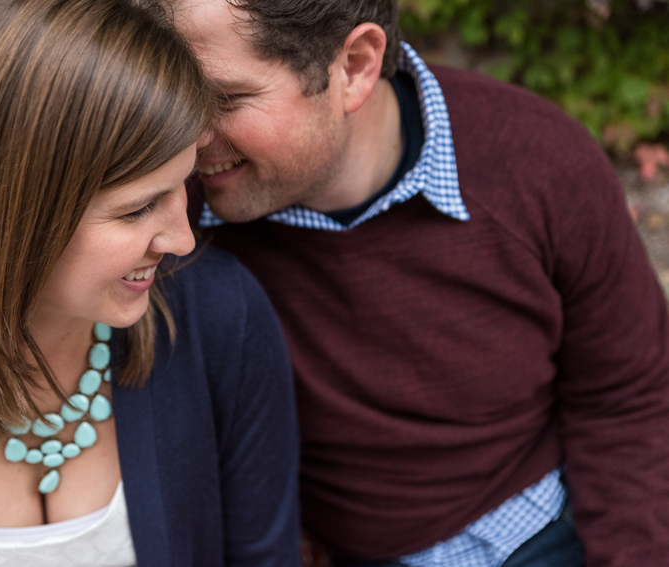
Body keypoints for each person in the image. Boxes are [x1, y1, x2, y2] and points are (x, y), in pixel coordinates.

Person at [165, 0, 669, 566]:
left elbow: (628, 397)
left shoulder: (540, 164)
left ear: (354, 66)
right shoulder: (166, 218)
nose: (187, 137)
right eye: (173, 95)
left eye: (225, 99)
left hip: (544, 529)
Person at [0, 0, 301, 565]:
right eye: (138, 209)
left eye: (183, 185)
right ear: (5, 211)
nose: (181, 240)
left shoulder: (219, 320)